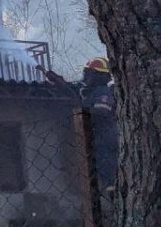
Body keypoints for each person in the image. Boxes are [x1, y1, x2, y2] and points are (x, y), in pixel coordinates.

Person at [40, 56, 119, 188]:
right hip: (96, 137)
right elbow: (70, 89)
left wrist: (81, 110)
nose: (85, 77)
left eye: (89, 74)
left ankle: (112, 188)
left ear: (98, 76)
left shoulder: (103, 92)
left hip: (105, 136)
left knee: (107, 167)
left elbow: (101, 112)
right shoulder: (88, 91)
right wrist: (51, 75)